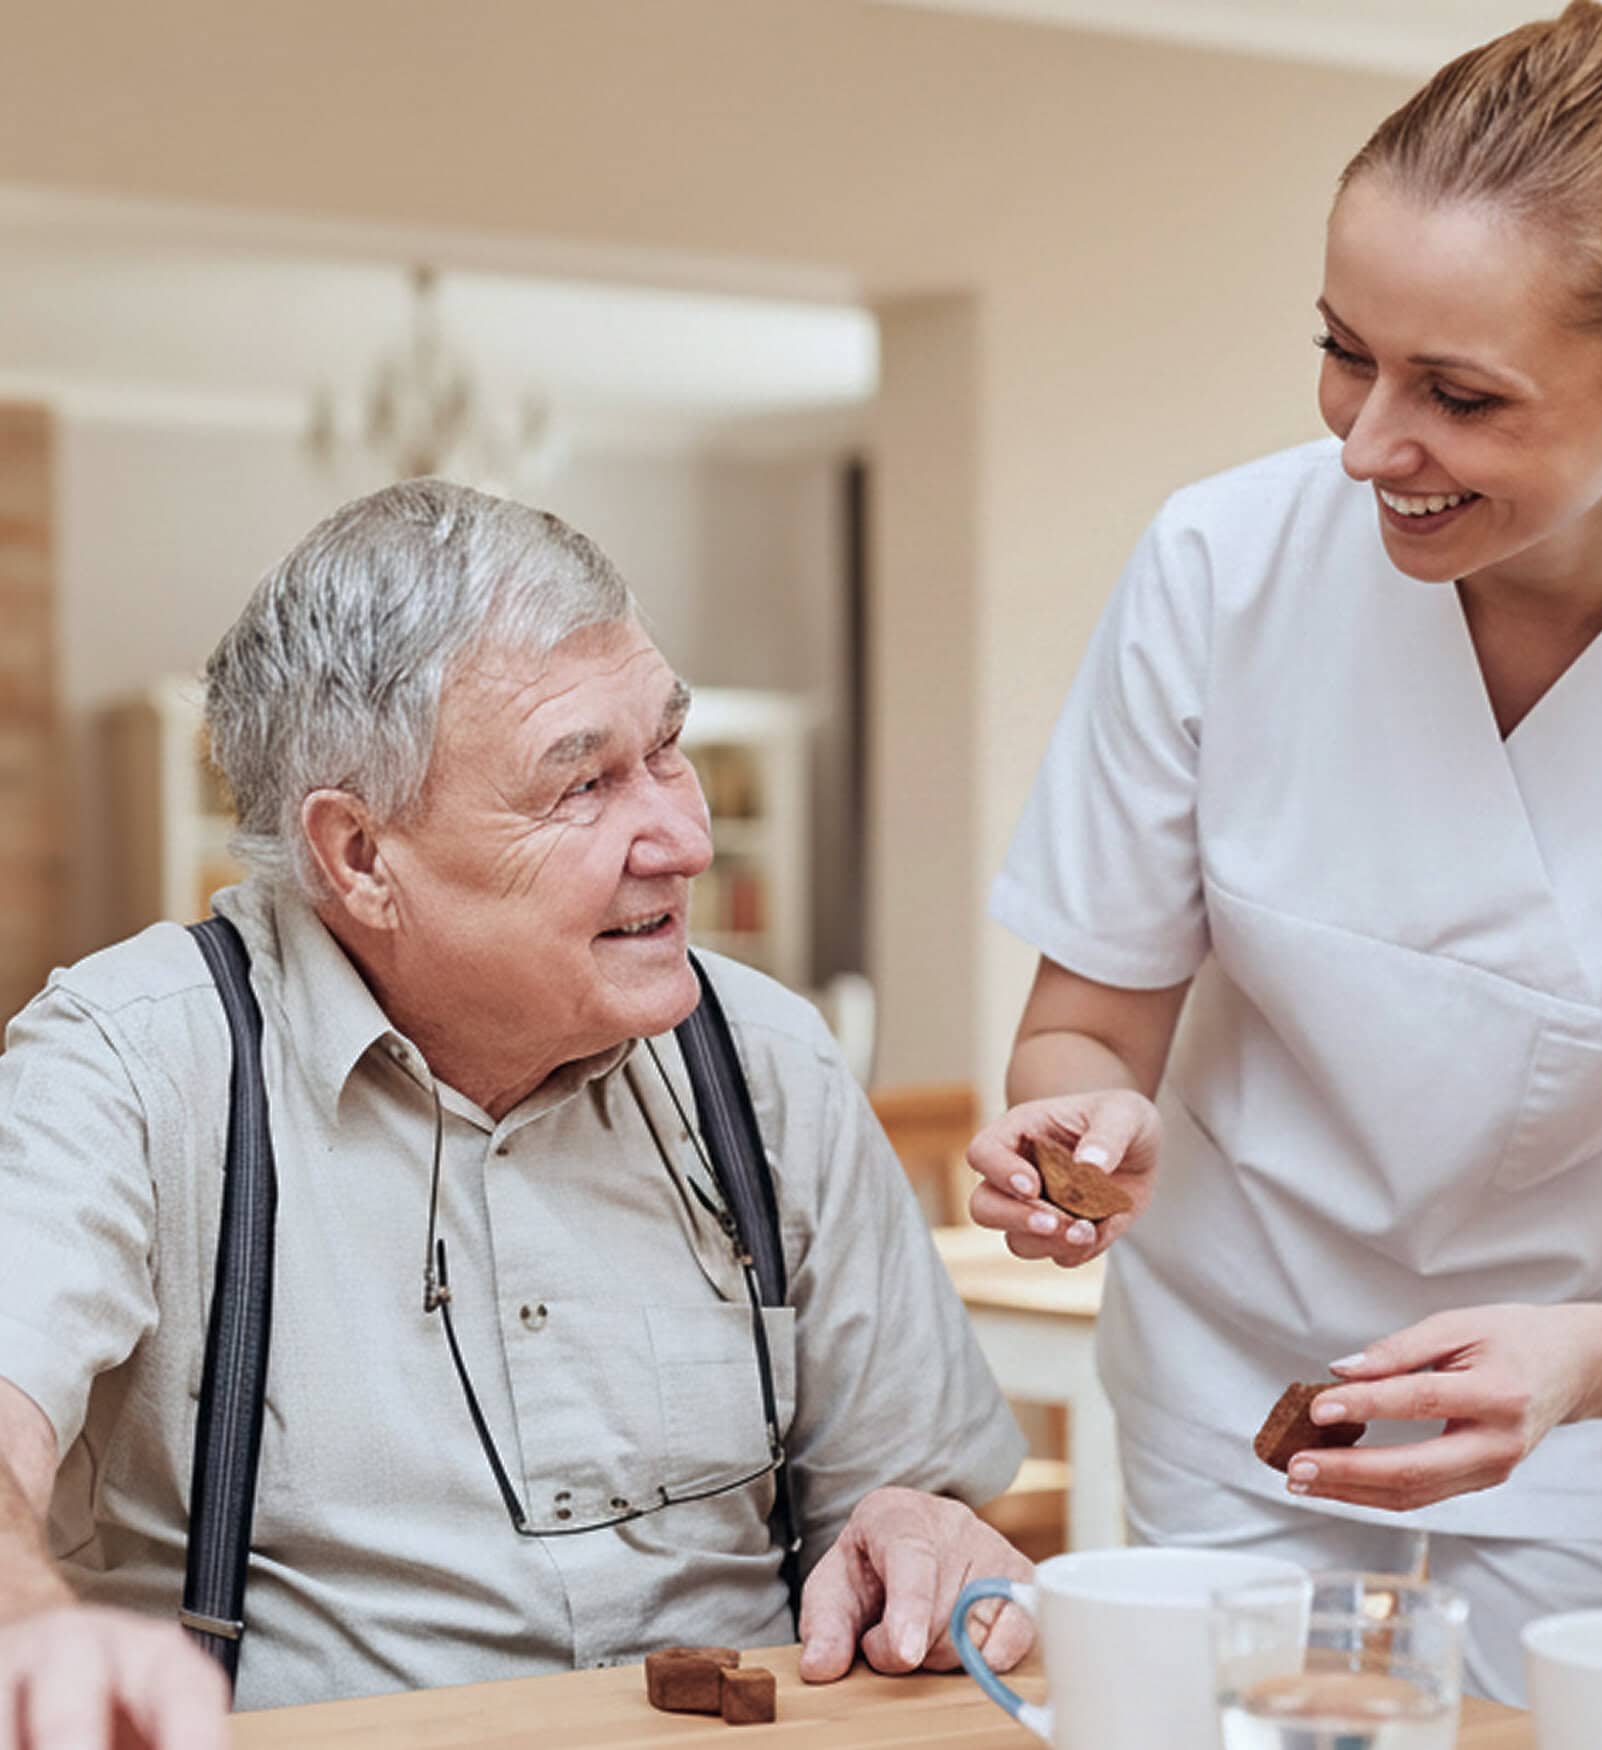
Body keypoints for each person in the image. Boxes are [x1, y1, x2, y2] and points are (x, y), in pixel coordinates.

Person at [966, 0, 1602, 1704]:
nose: (1365, 444)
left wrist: (1574, 1368)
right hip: (1233, 1403)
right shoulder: (1220, 568)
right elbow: (1090, 1027)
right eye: (1346, 350)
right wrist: (1076, 1122)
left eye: (1460, 395)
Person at [0, 480, 1032, 1746]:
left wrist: (917, 1529)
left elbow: (911, 1483)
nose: (685, 837)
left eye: (667, 748)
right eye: (583, 785)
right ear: (362, 855)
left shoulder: (765, 1061)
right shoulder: (133, 1060)